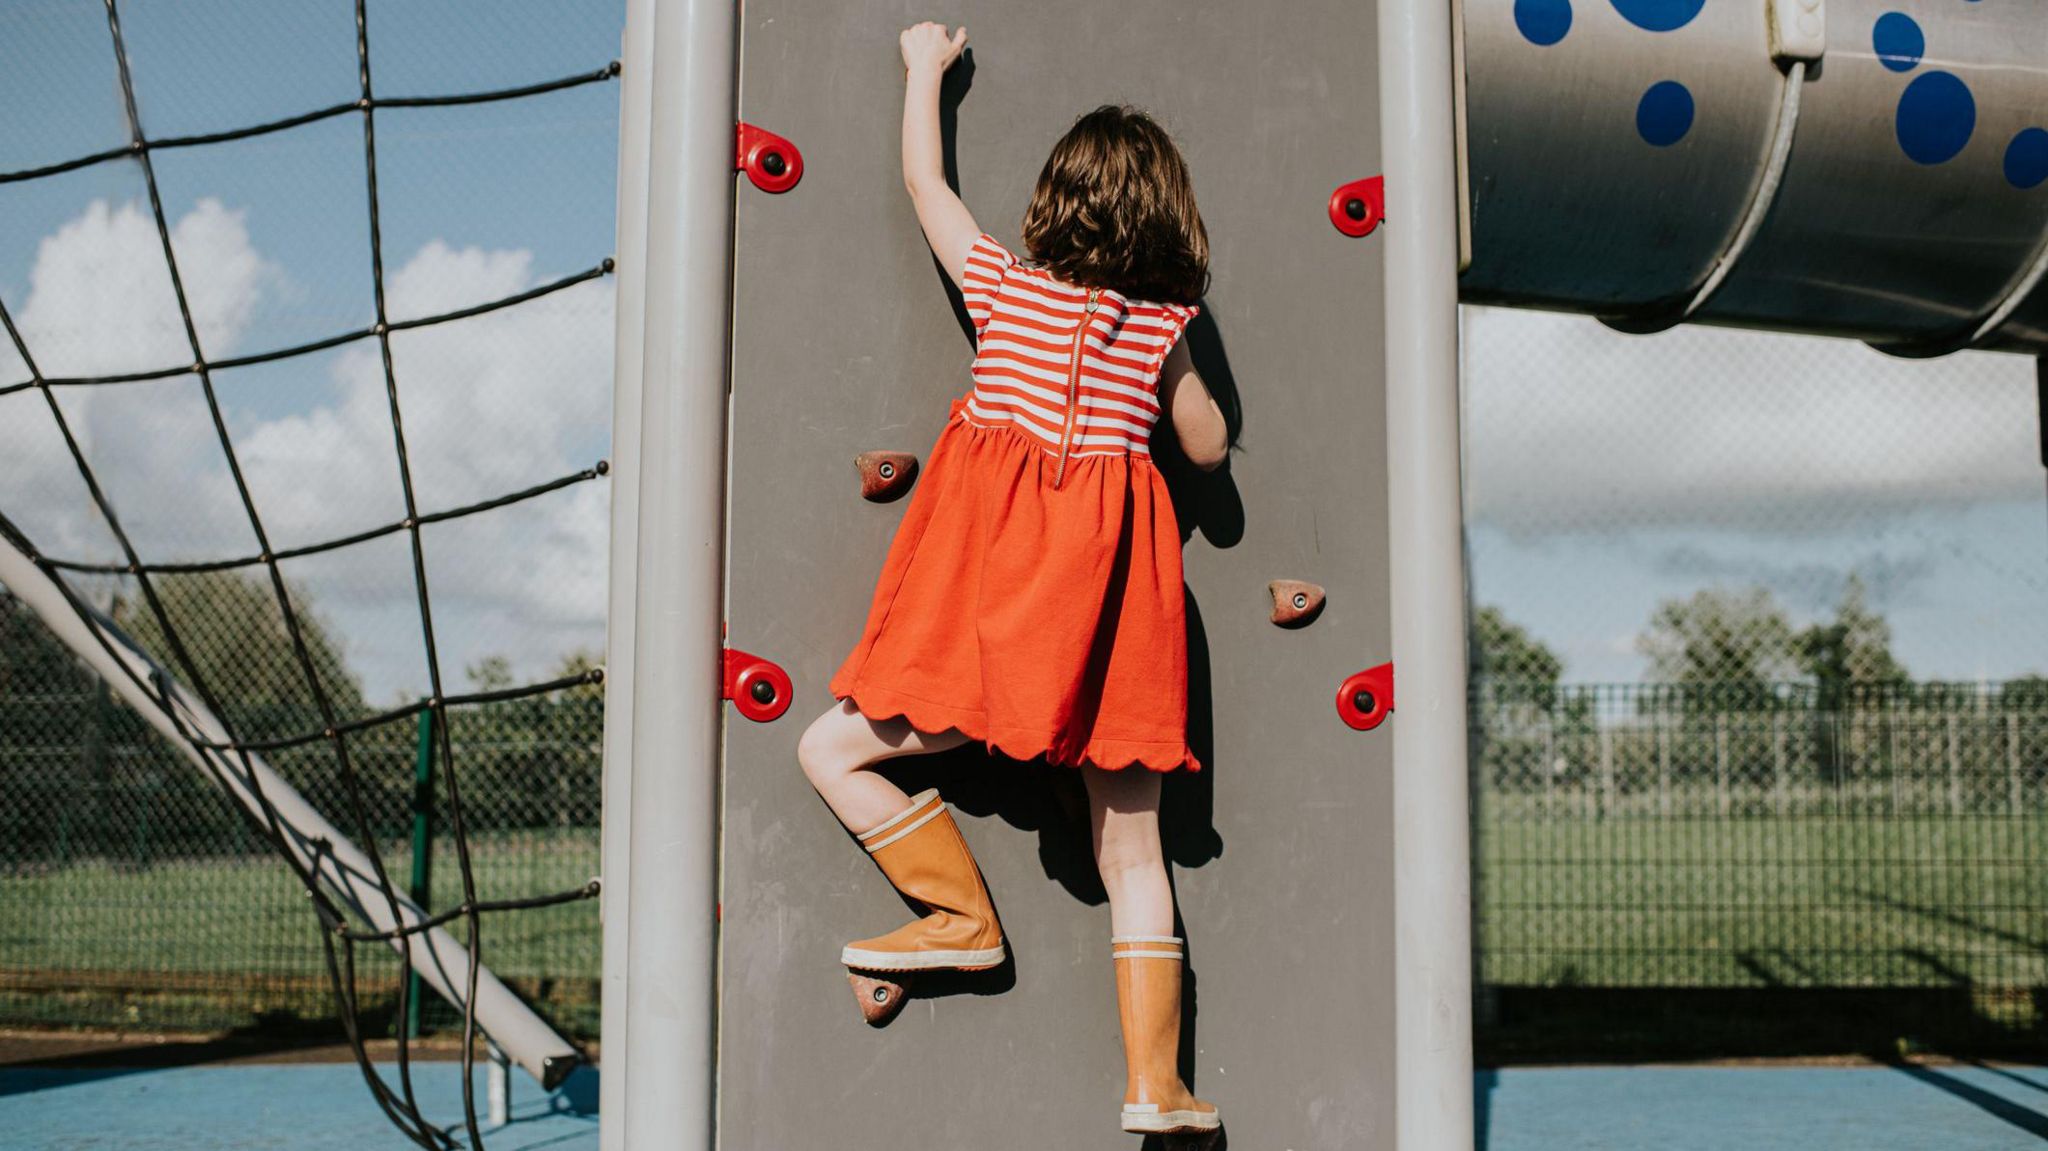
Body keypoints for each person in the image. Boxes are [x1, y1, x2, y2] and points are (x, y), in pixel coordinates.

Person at [794, 20, 1229, 1137]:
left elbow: (922, 180)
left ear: (1055, 204)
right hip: (1106, 626)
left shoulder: (1003, 287)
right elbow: (1207, 450)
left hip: (989, 615)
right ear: (1165, 218)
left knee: (828, 746)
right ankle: (1155, 1081)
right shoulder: (1160, 327)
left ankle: (953, 914)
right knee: (1131, 848)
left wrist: (924, 70)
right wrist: (1182, 350)